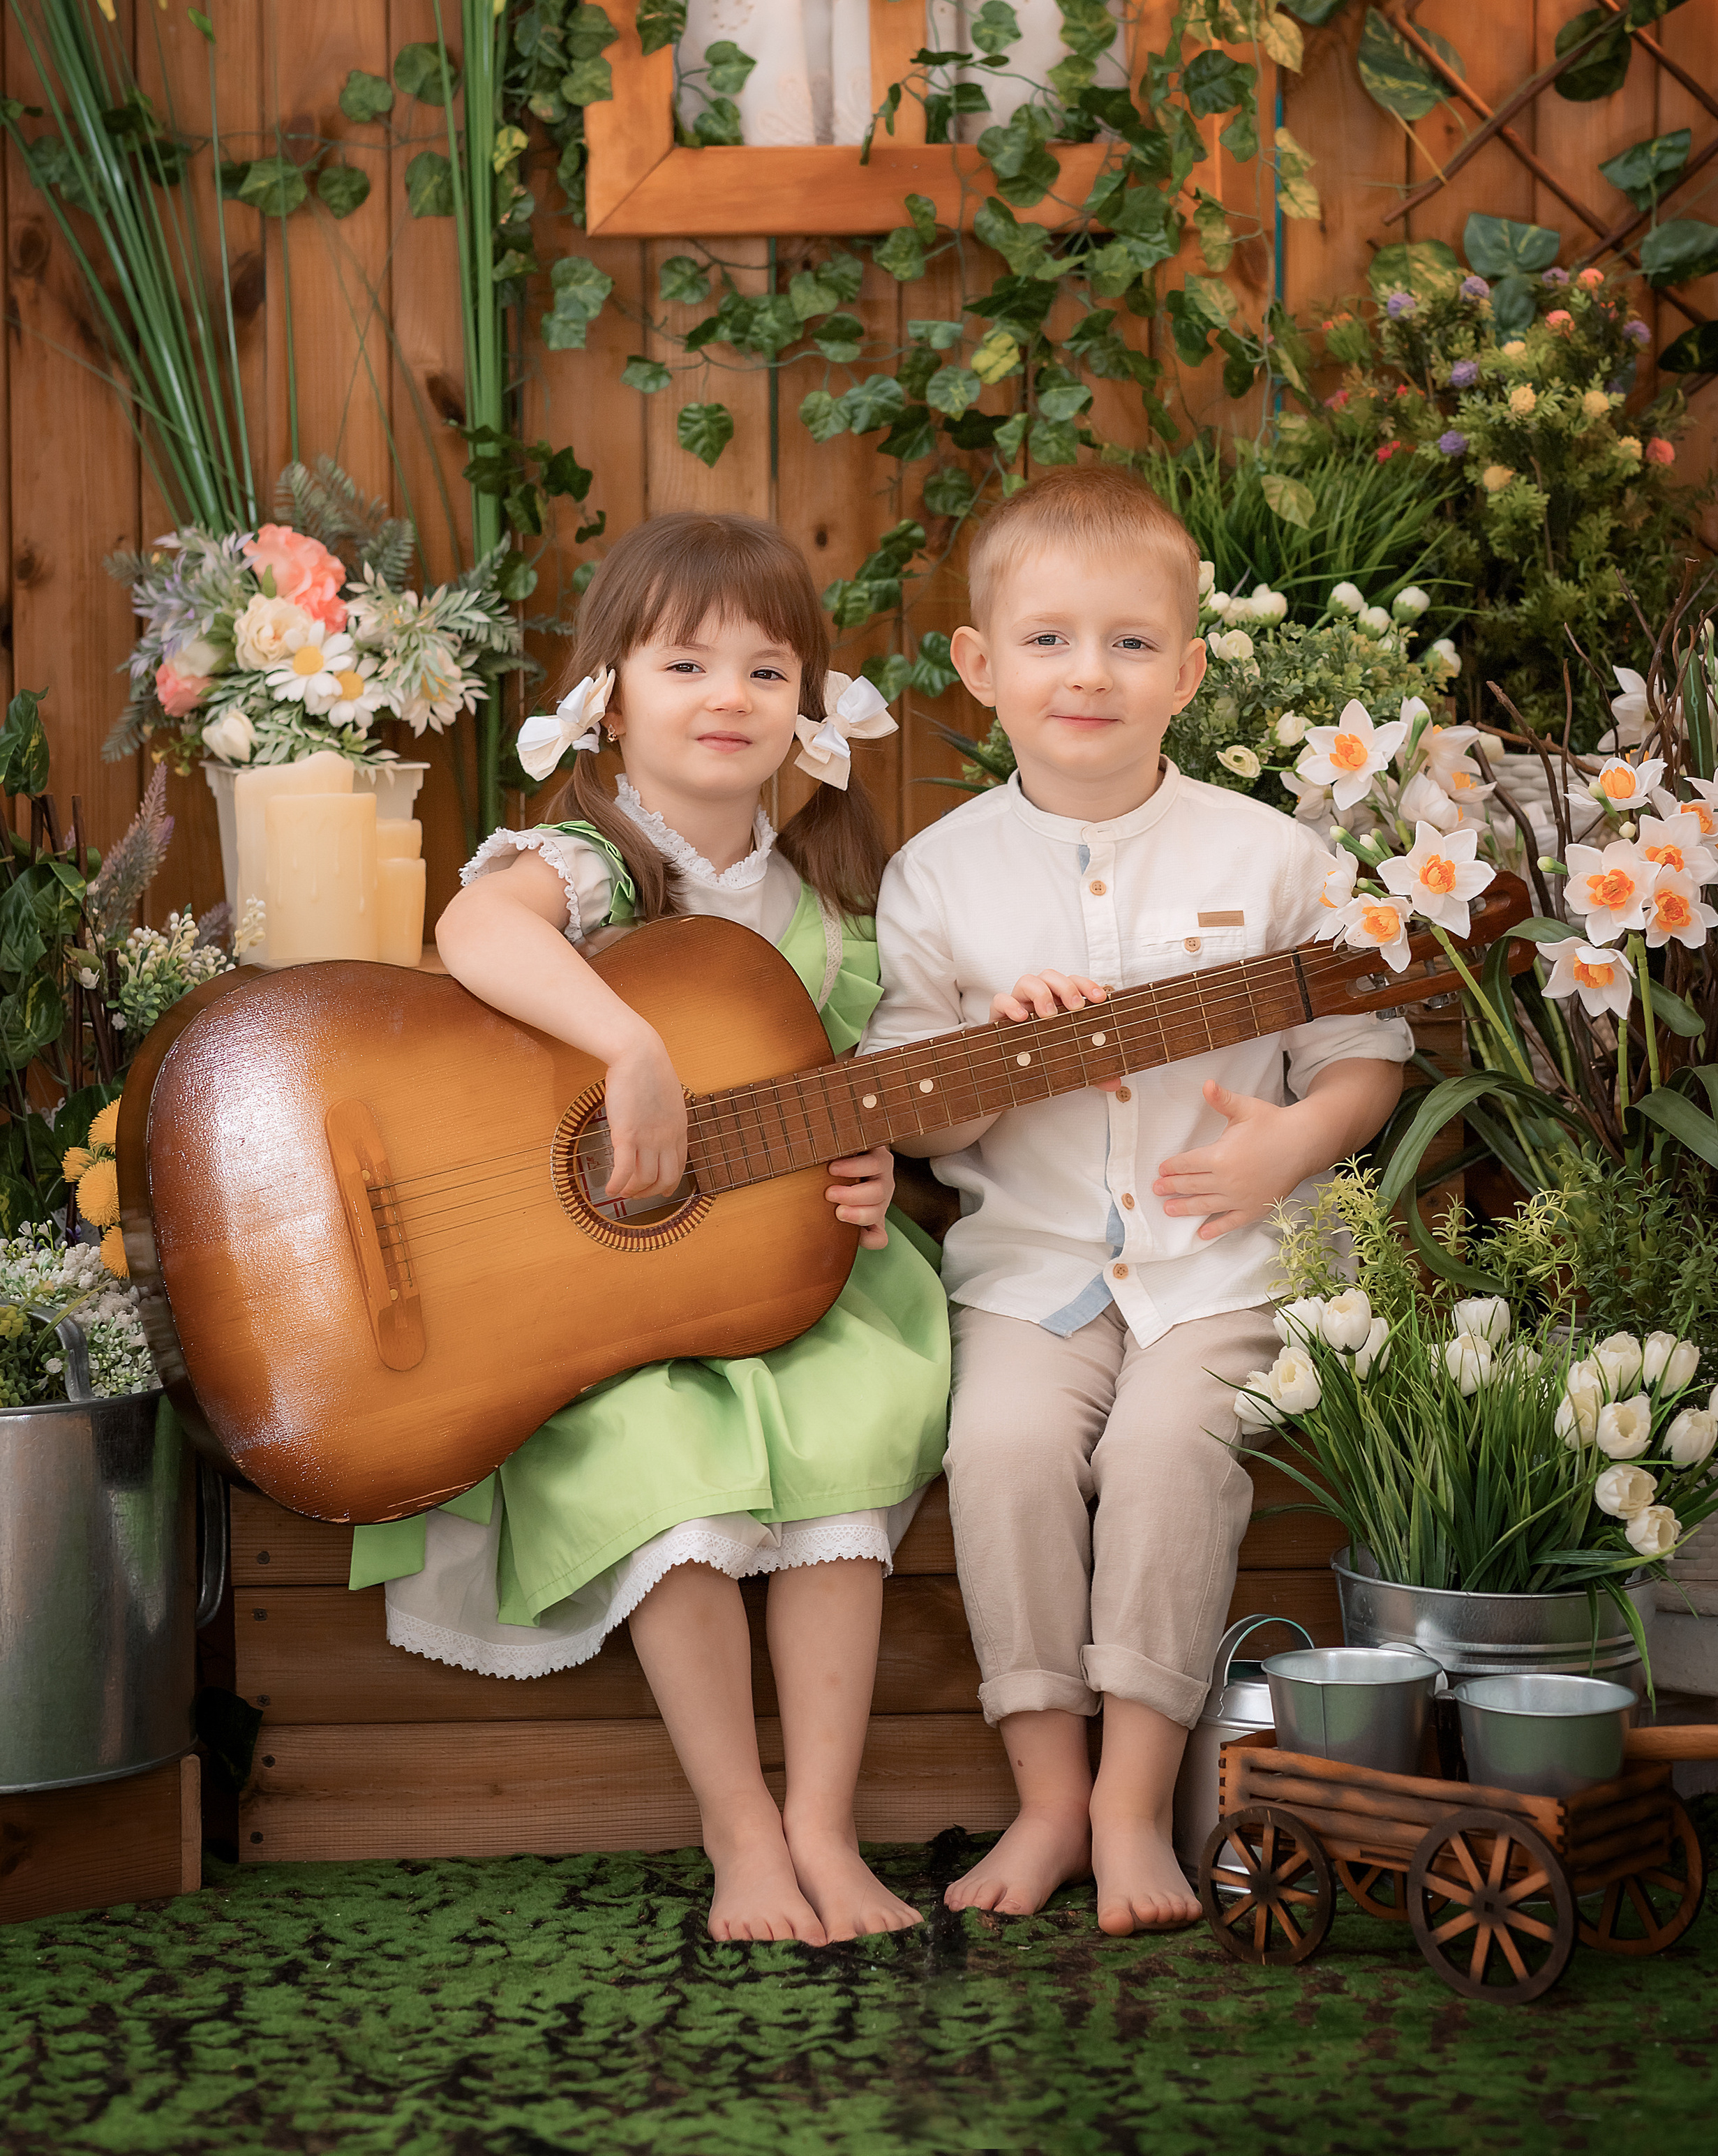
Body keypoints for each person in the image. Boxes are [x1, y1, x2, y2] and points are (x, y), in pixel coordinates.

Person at [350, 512, 950, 1947]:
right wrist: (625, 1045)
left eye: (765, 668)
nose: (727, 697)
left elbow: (847, 1100)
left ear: (809, 707)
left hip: (786, 1289)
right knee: (667, 1466)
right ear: (608, 695)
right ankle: (738, 1829)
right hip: (604, 1311)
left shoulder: (834, 913)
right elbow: (477, 935)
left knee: (849, 1431)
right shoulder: (594, 862)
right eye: (685, 664)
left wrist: (870, 1163)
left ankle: (823, 1820)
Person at [861, 465, 1411, 1937]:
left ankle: (1131, 1804)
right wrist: (994, 1051)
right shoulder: (936, 879)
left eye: (1125, 641)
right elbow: (915, 1110)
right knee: (1000, 1451)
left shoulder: (1274, 855)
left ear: (1187, 666)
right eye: (1044, 640)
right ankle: (1047, 1792)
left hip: (1222, 1264)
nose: (1085, 673)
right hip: (1029, 1263)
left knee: (1174, 1449)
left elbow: (1363, 1061)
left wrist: (1283, 1152)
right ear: (978, 668)